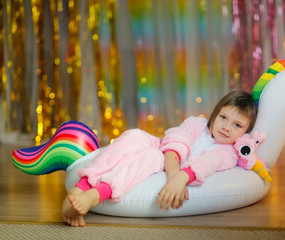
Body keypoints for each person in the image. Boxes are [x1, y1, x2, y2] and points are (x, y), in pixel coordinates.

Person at [62, 90, 257, 227]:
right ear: (215, 114)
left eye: (237, 125)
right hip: (164, 150)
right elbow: (175, 142)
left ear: (246, 132)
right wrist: (174, 175)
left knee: (150, 157)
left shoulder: (230, 152)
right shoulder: (197, 124)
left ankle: (93, 195)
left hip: (160, 159)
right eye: (223, 117)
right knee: (134, 135)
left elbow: (206, 164)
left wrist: (182, 178)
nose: (226, 127)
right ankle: (81, 187)